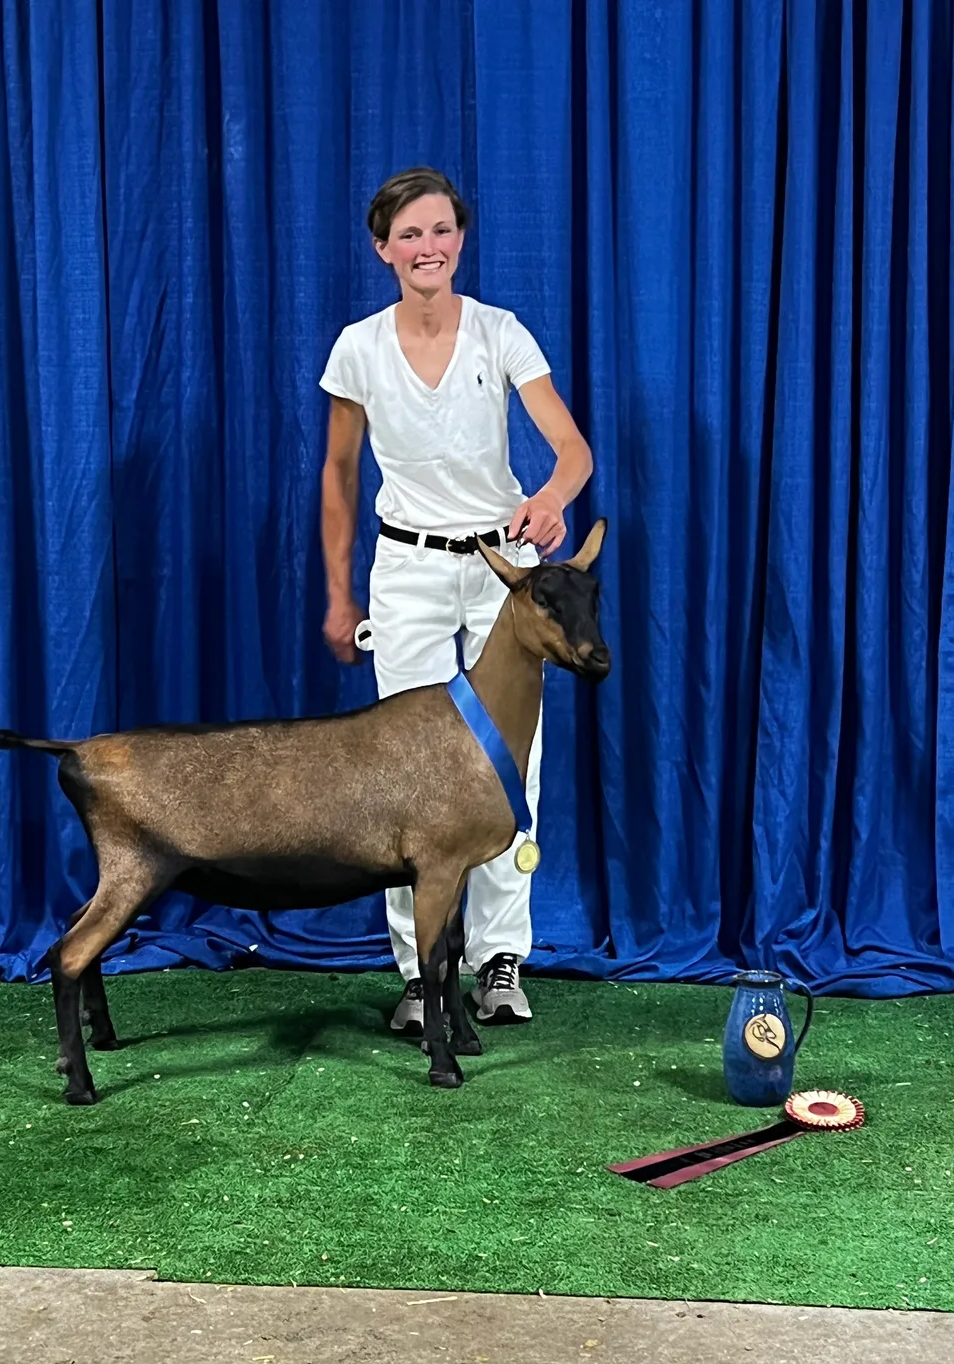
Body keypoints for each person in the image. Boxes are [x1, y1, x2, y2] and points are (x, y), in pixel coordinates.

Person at [318, 166, 593, 1036]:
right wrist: (337, 594)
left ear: (459, 240)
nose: (426, 247)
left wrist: (549, 499)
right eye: (408, 235)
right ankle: (418, 966)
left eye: (439, 231)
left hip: (505, 573)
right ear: (382, 250)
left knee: (513, 766)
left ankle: (500, 959)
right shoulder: (358, 346)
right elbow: (338, 476)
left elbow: (571, 450)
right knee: (405, 769)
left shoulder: (500, 333)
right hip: (405, 568)